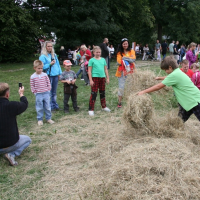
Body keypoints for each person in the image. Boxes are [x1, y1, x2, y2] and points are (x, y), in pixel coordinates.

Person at [138, 56, 200, 122]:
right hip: (188, 101)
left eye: (165, 70)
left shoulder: (174, 75)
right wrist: (159, 78)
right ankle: (175, 130)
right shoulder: (177, 71)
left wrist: (143, 92)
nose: (165, 71)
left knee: (179, 121)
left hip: (194, 101)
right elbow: (169, 77)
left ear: (170, 67)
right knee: (179, 122)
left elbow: (158, 86)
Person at [0, 83, 31, 166]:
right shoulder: (12, 105)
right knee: (27, 140)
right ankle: (11, 154)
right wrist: (21, 93)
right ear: (7, 94)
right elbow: (24, 104)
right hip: (9, 144)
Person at [39, 41, 62, 111]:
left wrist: (59, 73)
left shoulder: (54, 55)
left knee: (54, 92)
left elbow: (58, 65)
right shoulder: (43, 56)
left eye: (51, 46)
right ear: (45, 47)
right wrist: (49, 64)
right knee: (48, 92)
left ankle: (55, 105)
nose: (50, 48)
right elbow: (41, 67)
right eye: (48, 46)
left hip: (55, 75)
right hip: (48, 75)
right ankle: (49, 106)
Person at [30, 60, 55, 126]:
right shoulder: (33, 76)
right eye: (39, 68)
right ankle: (40, 119)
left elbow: (48, 82)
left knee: (47, 106)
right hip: (38, 94)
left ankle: (48, 118)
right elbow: (32, 86)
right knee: (39, 107)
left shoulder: (45, 75)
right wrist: (34, 92)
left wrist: (48, 89)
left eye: (41, 68)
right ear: (34, 68)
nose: (40, 69)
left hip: (46, 93)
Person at [88, 46, 110, 116]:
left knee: (102, 93)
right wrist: (91, 80)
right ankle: (91, 109)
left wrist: (107, 78)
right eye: (96, 52)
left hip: (102, 78)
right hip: (95, 78)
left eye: (99, 52)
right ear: (94, 52)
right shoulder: (91, 60)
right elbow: (89, 70)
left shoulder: (103, 59)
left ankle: (104, 106)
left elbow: (106, 69)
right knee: (94, 93)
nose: (98, 53)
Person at [115, 38, 136, 108]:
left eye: (126, 43)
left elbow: (133, 59)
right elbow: (118, 62)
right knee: (121, 87)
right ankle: (119, 102)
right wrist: (129, 58)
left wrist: (123, 58)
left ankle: (130, 101)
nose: (125, 45)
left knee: (131, 86)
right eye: (124, 44)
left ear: (128, 44)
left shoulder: (132, 51)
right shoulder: (119, 52)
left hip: (130, 72)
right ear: (121, 44)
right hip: (121, 73)